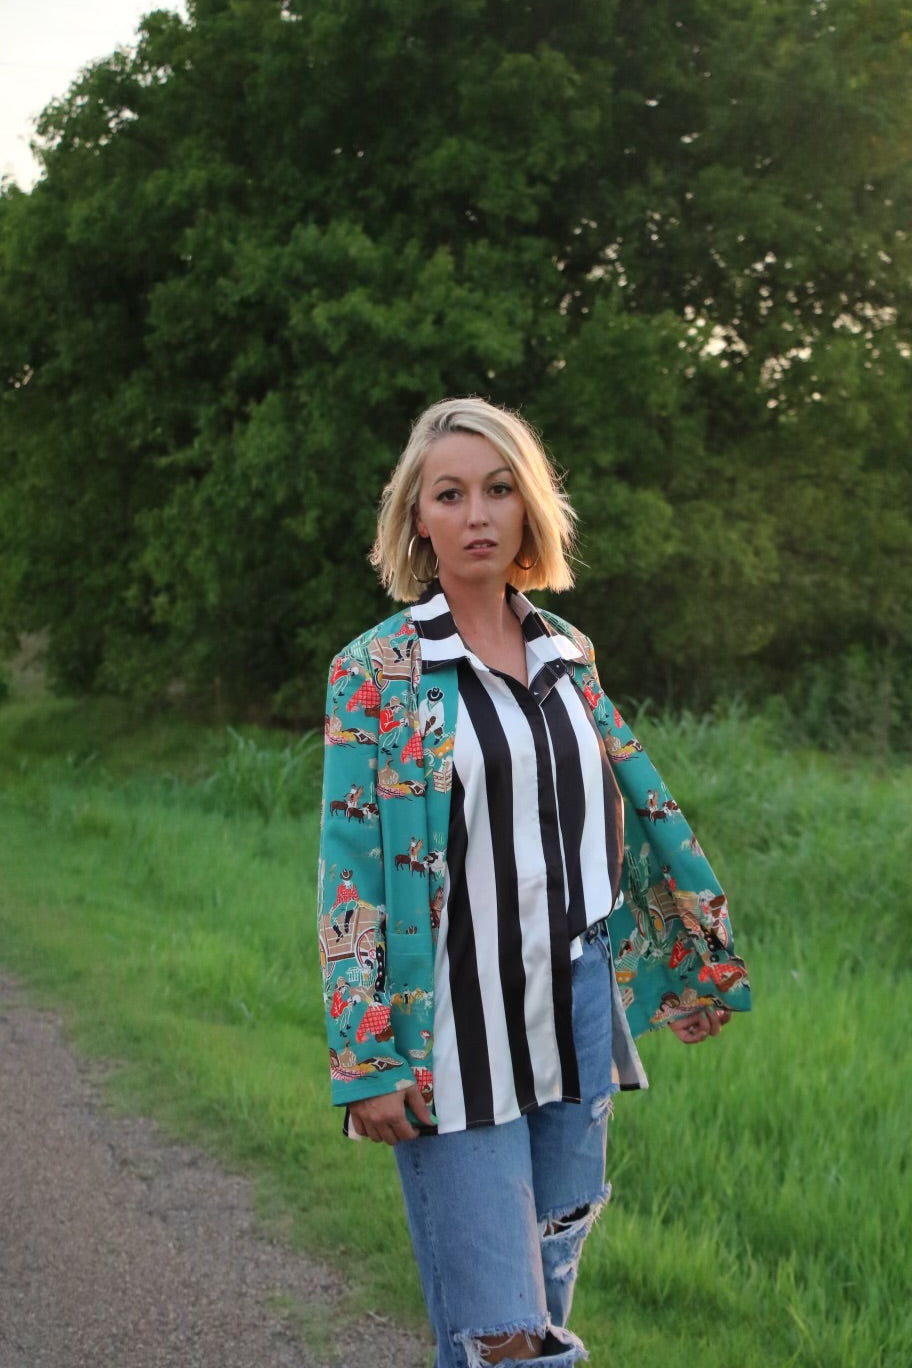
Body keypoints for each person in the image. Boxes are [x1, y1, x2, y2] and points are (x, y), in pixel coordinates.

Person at [317, 397, 751, 1367]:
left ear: (529, 509)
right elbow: (352, 877)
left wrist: (686, 961)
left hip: (576, 1016)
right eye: (450, 494)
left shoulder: (568, 652)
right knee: (505, 1338)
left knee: (541, 1313)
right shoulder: (376, 672)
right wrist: (365, 1056)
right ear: (417, 517)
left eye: (500, 489)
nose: (477, 514)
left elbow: (618, 828)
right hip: (451, 1033)